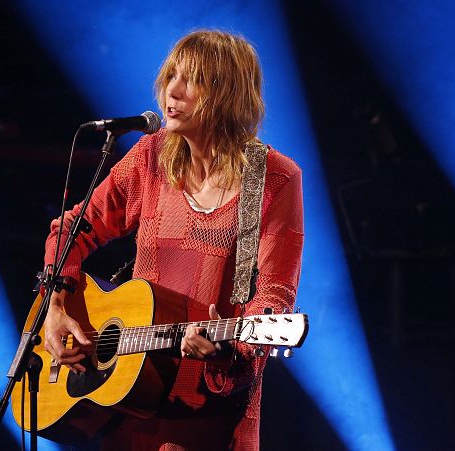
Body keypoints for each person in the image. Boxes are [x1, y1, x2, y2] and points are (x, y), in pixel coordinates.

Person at [42, 30, 304, 450]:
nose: (172, 92)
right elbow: (73, 229)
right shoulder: (150, 156)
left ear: (227, 94)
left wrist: (226, 348)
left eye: (192, 79)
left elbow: (273, 294)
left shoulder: (271, 177)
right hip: (133, 398)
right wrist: (56, 307)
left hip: (207, 408)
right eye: (171, 77)